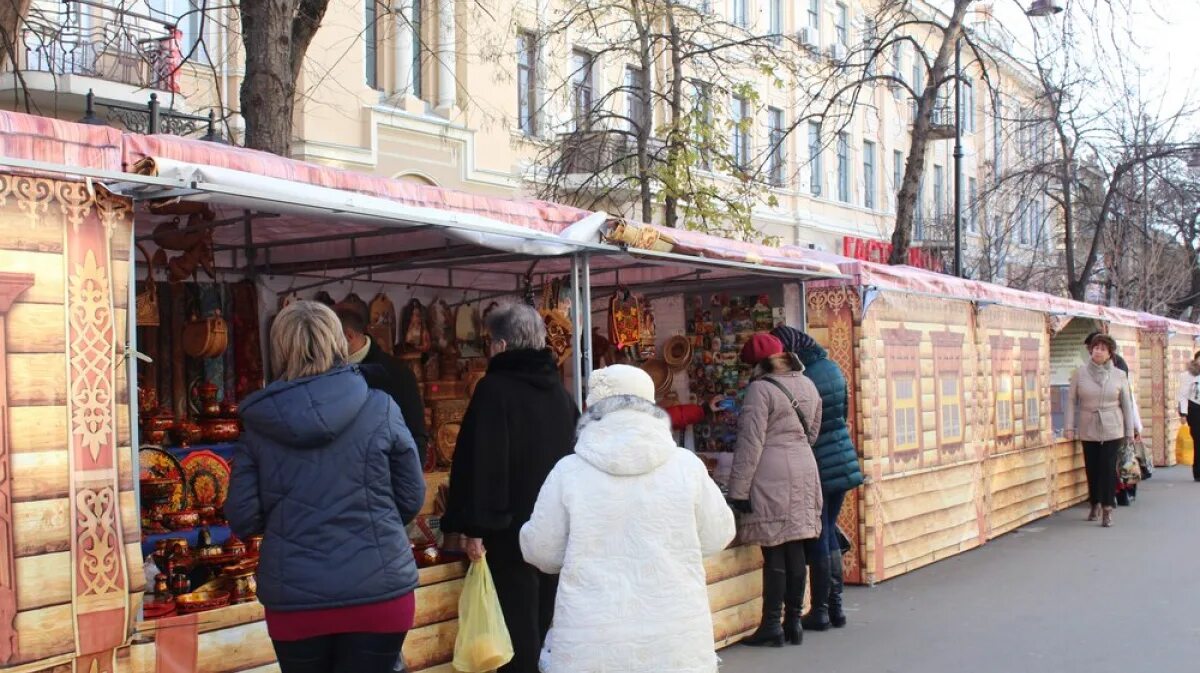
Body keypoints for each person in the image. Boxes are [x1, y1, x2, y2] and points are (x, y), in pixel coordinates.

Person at [227, 301, 426, 673]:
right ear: (337, 342)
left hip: (296, 600)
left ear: (280, 350)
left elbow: (243, 517)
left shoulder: (259, 425)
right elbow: (411, 497)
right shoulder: (380, 407)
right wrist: (373, 523)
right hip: (379, 591)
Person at [520, 365, 736, 673]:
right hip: (675, 637)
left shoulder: (569, 472)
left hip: (593, 641)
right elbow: (719, 533)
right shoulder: (685, 467)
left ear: (592, 408)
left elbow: (540, 551)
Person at [440, 303, 578, 673]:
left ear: (500, 345)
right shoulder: (560, 393)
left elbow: (483, 462)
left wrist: (476, 528)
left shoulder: (494, 389)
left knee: (514, 629)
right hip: (554, 526)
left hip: (508, 531)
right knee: (545, 621)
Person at [727, 333, 823, 647]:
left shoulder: (760, 389)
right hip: (805, 467)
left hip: (771, 472)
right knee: (796, 545)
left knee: (774, 550)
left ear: (756, 363)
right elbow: (814, 430)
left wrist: (738, 492)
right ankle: (793, 622)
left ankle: (772, 625)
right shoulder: (807, 383)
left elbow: (750, 443)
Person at [771, 326, 863, 631]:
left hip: (820, 461)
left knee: (821, 532)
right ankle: (835, 607)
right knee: (829, 528)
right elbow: (844, 411)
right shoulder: (832, 368)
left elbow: (807, 425)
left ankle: (822, 610)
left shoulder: (804, 379)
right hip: (843, 456)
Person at [334, 304, 429, 462]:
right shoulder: (325, 373)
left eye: (327, 338)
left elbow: (416, 437)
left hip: (383, 478)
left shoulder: (398, 374)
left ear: (348, 336)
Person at [1065, 333, 1138, 528]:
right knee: (1092, 467)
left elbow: (1127, 405)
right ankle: (1094, 502)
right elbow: (1072, 401)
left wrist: (1130, 431)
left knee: (1107, 468)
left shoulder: (1119, 375)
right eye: (1096, 348)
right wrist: (1069, 427)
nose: (1098, 351)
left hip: (1112, 426)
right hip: (1088, 424)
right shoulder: (1079, 373)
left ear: (1109, 354)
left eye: (1103, 349)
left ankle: (1107, 508)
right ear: (1090, 350)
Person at [1177, 350, 1200, 482]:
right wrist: (1183, 414)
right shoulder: (1188, 375)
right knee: (1198, 440)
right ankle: (1197, 471)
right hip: (1195, 409)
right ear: (1196, 360)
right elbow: (1183, 395)